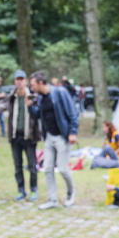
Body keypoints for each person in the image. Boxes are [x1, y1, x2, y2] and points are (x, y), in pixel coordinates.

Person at [0, 69, 41, 201]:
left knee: (32, 166)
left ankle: (34, 190)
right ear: (15, 82)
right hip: (15, 136)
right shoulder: (11, 98)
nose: (20, 82)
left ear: (26, 81)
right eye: (17, 79)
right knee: (17, 166)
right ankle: (21, 190)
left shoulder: (33, 97)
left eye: (22, 79)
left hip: (29, 136)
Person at [31, 70, 80, 209]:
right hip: (49, 137)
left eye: (33, 85)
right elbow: (37, 115)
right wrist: (30, 107)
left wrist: (72, 132)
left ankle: (71, 193)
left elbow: (73, 113)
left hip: (62, 137)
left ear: (41, 83)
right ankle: (52, 200)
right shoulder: (40, 98)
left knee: (63, 169)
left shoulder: (59, 93)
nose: (32, 87)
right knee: (47, 169)